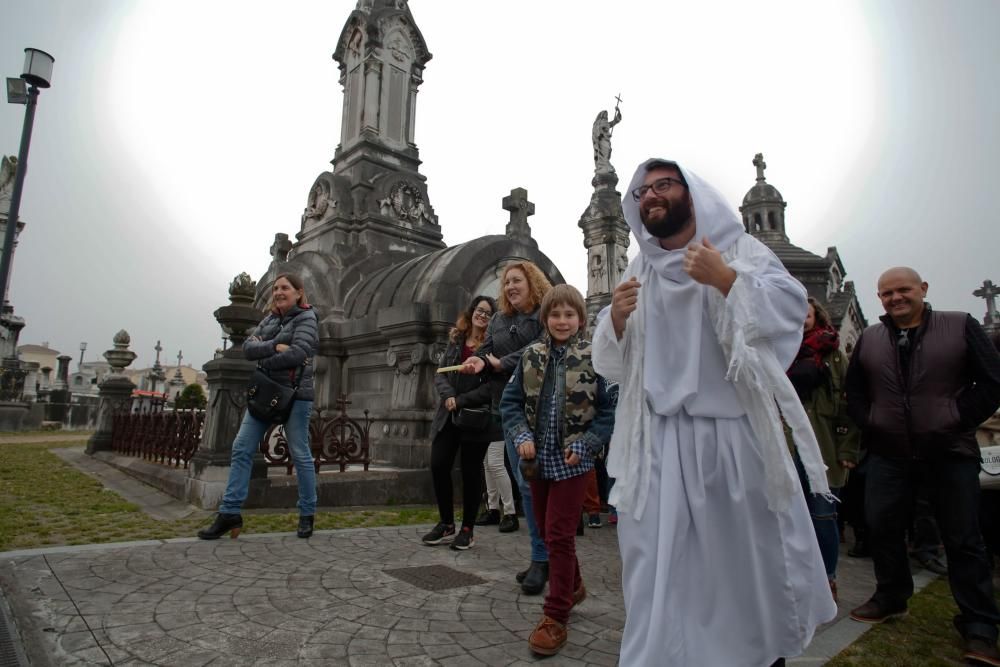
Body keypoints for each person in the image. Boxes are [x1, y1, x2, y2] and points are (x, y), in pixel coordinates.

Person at [592, 157, 836, 666]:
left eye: (664, 185)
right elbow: (613, 363)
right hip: (657, 448)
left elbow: (789, 315)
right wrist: (614, 320)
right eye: (643, 192)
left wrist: (727, 280)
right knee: (659, 573)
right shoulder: (640, 269)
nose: (652, 196)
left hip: (730, 443)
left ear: (690, 192)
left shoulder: (738, 250)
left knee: (740, 571)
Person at [845, 266, 1000, 666]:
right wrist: (872, 420)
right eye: (886, 293)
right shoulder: (871, 338)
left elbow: (993, 380)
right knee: (882, 527)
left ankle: (980, 625)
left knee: (963, 538)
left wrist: (956, 416)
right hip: (889, 451)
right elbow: (855, 389)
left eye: (903, 290)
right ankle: (891, 596)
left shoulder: (959, 325)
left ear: (922, 289)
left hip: (948, 449)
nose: (895, 298)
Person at [500, 284, 615, 655]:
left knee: (560, 535)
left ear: (580, 319)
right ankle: (574, 586)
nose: (562, 321)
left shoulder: (594, 357)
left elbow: (610, 411)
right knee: (549, 535)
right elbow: (511, 403)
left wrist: (588, 444)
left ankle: (556, 614)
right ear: (545, 319)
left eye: (569, 315)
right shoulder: (531, 356)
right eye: (555, 314)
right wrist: (519, 437)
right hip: (538, 461)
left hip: (573, 461)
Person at [198, 273, 319, 540]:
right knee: (241, 448)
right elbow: (249, 350)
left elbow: (299, 353)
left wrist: (266, 358)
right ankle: (230, 513)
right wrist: (275, 346)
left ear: (299, 292)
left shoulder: (307, 318)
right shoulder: (270, 318)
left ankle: (307, 513)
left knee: (300, 453)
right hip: (265, 393)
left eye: (285, 288)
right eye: (275, 288)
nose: (278, 292)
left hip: (295, 395)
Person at [461, 261, 552, 594]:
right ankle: (540, 557)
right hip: (509, 409)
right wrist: (478, 361)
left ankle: (553, 555)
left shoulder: (545, 312)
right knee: (525, 485)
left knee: (543, 486)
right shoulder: (499, 318)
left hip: (540, 409)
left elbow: (540, 349)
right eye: (507, 282)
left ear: (532, 282)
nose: (511, 286)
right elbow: (485, 352)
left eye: (517, 280)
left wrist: (501, 363)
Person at [786, 296, 860, 601]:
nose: (801, 319)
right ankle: (795, 578)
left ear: (817, 316)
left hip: (822, 446)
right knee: (790, 515)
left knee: (822, 516)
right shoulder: (779, 350)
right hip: (786, 445)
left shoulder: (833, 355)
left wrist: (848, 450)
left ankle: (827, 578)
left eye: (806, 314)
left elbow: (847, 404)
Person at [421, 296, 497, 550]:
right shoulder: (456, 340)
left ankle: (467, 529)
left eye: (488, 313)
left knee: (471, 473)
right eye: (479, 310)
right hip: (449, 414)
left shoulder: (494, 347)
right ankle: (446, 523)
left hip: (475, 417)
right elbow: (441, 374)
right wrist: (449, 396)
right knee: (438, 464)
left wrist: (462, 399)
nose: (482, 316)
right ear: (472, 312)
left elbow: (491, 388)